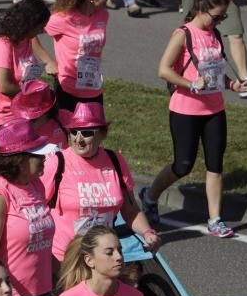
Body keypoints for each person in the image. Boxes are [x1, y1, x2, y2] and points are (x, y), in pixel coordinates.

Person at [139, 0, 247, 239]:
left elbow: (217, 70)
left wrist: (232, 84)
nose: (218, 21)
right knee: (183, 165)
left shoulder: (215, 35)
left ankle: (215, 219)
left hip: (214, 109)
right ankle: (150, 195)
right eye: (216, 16)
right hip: (185, 109)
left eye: (222, 18)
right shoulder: (183, 34)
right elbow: (164, 70)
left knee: (215, 165)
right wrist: (190, 84)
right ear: (201, 9)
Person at [41, 102, 160, 262]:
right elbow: (36, 210)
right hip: (66, 259)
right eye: (74, 132)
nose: (78, 139)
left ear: (102, 134)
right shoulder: (56, 163)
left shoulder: (115, 161)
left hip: (104, 259)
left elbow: (130, 210)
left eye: (86, 133)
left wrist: (147, 233)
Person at [0, 118, 57, 296]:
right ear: (20, 159)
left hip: (45, 294)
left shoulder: (36, 185)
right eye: (38, 154)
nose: (45, 158)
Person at [0, 0, 55, 143]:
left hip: (24, 114)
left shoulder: (25, 40)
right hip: (5, 120)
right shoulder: (3, 45)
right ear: (29, 23)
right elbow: (4, 85)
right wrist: (34, 93)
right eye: (40, 26)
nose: (43, 30)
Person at [47, 0, 110, 110]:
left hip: (94, 87)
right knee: (67, 131)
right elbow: (31, 33)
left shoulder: (103, 15)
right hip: (67, 88)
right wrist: (49, 61)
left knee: (94, 132)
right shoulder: (63, 18)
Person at [11, 80, 65, 149]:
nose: (27, 122)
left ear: (46, 112)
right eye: (22, 117)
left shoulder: (63, 118)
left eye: (32, 119)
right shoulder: (18, 131)